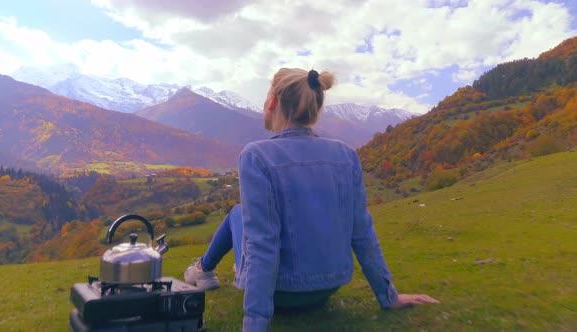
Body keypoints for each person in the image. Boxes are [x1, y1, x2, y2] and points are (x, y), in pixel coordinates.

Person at [184, 68, 439, 331]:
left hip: (280, 294)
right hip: (327, 287)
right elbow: (362, 232)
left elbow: (262, 243)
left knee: (237, 213)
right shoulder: (346, 155)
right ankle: (203, 269)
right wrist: (390, 297)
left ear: (272, 102)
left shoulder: (256, 156)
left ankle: (203, 270)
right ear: (316, 110)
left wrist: (255, 324)